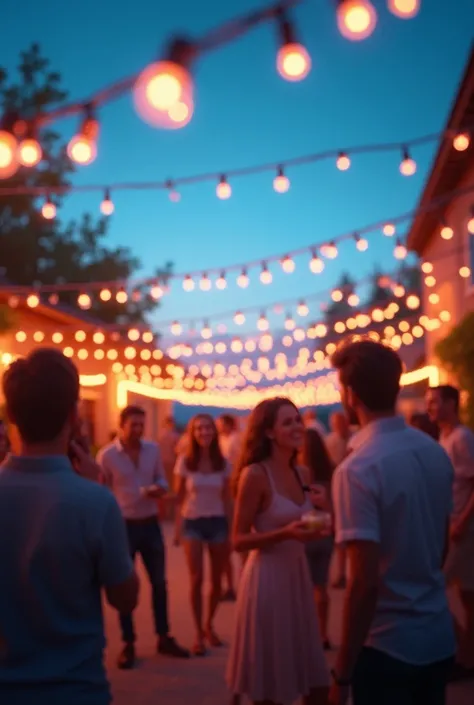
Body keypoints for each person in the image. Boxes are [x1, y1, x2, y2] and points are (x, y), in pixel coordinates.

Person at [0, 349, 138, 705]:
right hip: (75, 690)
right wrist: (100, 494)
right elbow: (126, 598)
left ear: (11, 414)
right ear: (74, 415)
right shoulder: (95, 502)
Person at [329, 340, 455, 705]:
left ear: (351, 395)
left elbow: (363, 583)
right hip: (437, 635)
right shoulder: (433, 451)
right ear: (396, 387)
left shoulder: (358, 468)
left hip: (387, 646)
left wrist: (342, 672)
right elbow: (442, 546)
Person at [226, 397, 329, 705]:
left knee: (315, 683)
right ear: (269, 432)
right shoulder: (255, 475)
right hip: (267, 581)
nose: (297, 426)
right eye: (288, 422)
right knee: (271, 682)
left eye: (298, 419)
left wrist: (323, 513)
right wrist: (285, 533)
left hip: (298, 577)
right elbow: (238, 540)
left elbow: (310, 520)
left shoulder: (303, 474)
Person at [97, 405, 189, 669]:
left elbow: (162, 479)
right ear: (122, 424)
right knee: (126, 584)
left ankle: (164, 636)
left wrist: (159, 489)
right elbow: (102, 493)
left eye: (141, 425)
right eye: (133, 424)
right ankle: (128, 643)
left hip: (150, 524)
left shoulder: (152, 450)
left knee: (159, 583)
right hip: (123, 526)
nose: (138, 430)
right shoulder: (107, 456)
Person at [174, 414, 232, 655]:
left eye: (208, 428)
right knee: (197, 578)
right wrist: (177, 529)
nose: (204, 432)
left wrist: (232, 528)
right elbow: (178, 498)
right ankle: (198, 632)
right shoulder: (185, 462)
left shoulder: (224, 463)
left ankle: (209, 624)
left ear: (214, 432)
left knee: (217, 582)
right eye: (199, 429)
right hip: (193, 522)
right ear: (193, 433)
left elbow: (228, 499)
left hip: (218, 522)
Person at [426, 384, 474, 679]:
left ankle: (463, 656)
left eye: (434, 402)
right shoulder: (443, 437)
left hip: (462, 529)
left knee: (438, 590)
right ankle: (465, 654)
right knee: (464, 595)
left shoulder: (462, 438)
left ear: (450, 404)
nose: (429, 407)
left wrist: (463, 521)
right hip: (449, 526)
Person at [300, 427, 335, 649]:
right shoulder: (331, 473)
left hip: (303, 533)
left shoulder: (298, 473)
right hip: (324, 533)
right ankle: (322, 634)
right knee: (321, 586)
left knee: (302, 588)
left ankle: (307, 634)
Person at [325, 411, 352, 589]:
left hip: (354, 488)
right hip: (337, 489)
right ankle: (341, 573)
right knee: (340, 532)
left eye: (340, 423)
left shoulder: (357, 438)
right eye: (335, 424)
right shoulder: (330, 441)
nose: (338, 427)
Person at [216, 413, 241, 601]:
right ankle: (228, 585)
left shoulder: (235, 440)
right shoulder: (221, 441)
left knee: (235, 541)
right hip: (221, 492)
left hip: (233, 491)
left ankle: (236, 585)